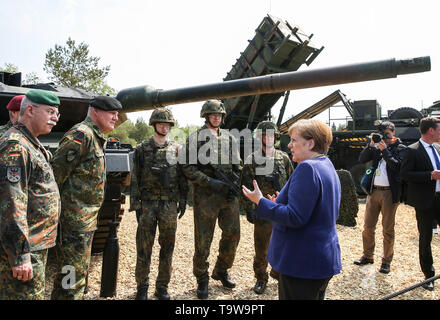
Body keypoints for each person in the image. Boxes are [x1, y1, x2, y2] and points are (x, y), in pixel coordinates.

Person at [242, 119, 342, 300]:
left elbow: (295, 217)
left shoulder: (307, 168)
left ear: (310, 143)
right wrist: (279, 204)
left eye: (294, 140)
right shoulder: (325, 164)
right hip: (320, 260)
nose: (289, 145)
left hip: (302, 264)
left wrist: (261, 201)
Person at [50, 96, 121, 300]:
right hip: (74, 223)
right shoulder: (81, 135)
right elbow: (55, 177)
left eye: (117, 114)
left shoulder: (94, 136)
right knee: (70, 276)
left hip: (84, 222)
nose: (116, 117)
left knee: (76, 273)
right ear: (95, 111)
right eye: (112, 113)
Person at [0, 89, 61, 299]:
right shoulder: (16, 147)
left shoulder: (30, 143)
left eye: (57, 113)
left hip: (35, 243)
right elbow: (12, 203)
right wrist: (20, 256)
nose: (56, 118)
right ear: (31, 110)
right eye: (51, 111)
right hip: (27, 247)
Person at [182, 100, 242, 299]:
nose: (216, 117)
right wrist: (209, 182)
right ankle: (202, 278)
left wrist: (236, 182)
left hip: (227, 196)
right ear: (206, 116)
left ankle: (221, 270)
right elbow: (188, 168)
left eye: (219, 114)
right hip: (206, 197)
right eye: (212, 114)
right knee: (203, 240)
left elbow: (238, 165)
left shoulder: (230, 138)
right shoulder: (196, 138)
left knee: (233, 234)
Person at [129, 108, 188, 300]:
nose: (164, 127)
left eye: (168, 124)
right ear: (154, 124)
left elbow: (182, 176)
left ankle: (162, 286)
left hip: (169, 205)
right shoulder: (141, 148)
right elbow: (135, 177)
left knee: (167, 247)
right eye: (161, 123)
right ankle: (142, 286)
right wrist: (136, 204)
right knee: (144, 247)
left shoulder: (178, 149)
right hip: (148, 204)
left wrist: (183, 198)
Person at [241, 121, 293, 294]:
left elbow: (292, 182)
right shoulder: (252, 160)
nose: (269, 138)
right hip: (263, 210)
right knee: (262, 247)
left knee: (283, 245)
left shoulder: (284, 157)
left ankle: (277, 272)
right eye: (265, 135)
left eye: (271, 135)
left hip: (282, 210)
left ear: (276, 137)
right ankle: (261, 277)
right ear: (260, 137)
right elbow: (246, 186)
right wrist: (249, 208)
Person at [353, 121, 406, 274]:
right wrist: (371, 145)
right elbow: (362, 159)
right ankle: (368, 255)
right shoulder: (376, 147)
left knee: (388, 229)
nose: (384, 137)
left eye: (387, 134)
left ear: (393, 133)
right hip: (373, 191)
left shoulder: (401, 149)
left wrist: (385, 150)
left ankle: (386, 261)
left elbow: (397, 166)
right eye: (382, 134)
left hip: (390, 192)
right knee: (368, 227)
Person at [400, 116, 440, 291]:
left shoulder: (438, 148)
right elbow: (405, 174)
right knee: (425, 239)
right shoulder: (412, 150)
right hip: (425, 202)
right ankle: (428, 276)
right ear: (431, 130)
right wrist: (430, 175)